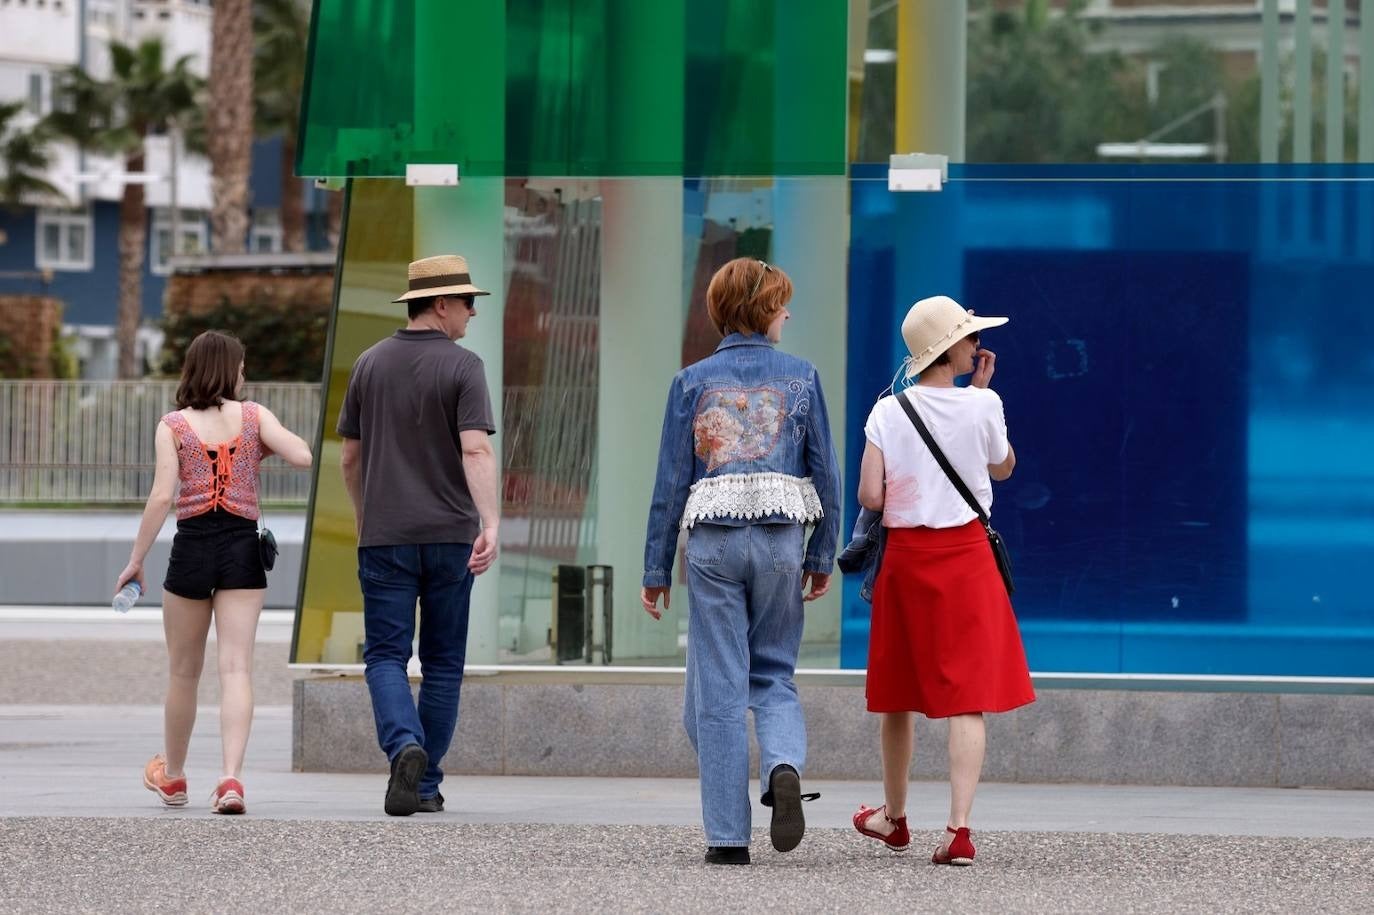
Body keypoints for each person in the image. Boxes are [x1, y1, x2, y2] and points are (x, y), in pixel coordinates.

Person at [641, 257, 842, 865]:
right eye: (783, 303)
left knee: (720, 690)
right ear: (765, 310)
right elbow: (826, 473)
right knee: (774, 672)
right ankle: (782, 765)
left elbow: (670, 482)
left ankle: (728, 840)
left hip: (713, 542)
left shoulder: (691, 381)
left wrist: (654, 571)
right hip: (783, 539)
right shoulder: (802, 375)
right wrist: (822, 553)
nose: (789, 313)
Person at [851, 295, 1035, 866]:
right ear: (948, 349)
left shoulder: (888, 411)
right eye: (970, 337)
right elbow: (1004, 467)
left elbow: (870, 497)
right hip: (966, 558)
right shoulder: (984, 405)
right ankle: (958, 832)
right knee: (968, 698)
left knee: (897, 697)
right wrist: (980, 398)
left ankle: (894, 818)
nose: (977, 345)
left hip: (907, 559)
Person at [117, 330, 313, 814]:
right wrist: (257, 449)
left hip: (193, 547)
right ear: (229, 368)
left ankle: (176, 778)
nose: (244, 373)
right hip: (242, 550)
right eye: (241, 365)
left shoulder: (173, 425)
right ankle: (230, 780)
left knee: (184, 673)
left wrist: (136, 560)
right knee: (235, 668)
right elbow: (304, 455)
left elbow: (163, 497)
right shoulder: (253, 417)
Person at [338, 254, 500, 817]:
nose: (473, 313)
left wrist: (365, 519)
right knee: (443, 662)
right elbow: (475, 448)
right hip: (451, 536)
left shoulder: (367, 365)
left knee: (384, 655)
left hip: (384, 535)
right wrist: (492, 523)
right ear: (439, 304)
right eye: (467, 302)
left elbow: (350, 458)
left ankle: (403, 745)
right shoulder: (465, 367)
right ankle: (425, 781)